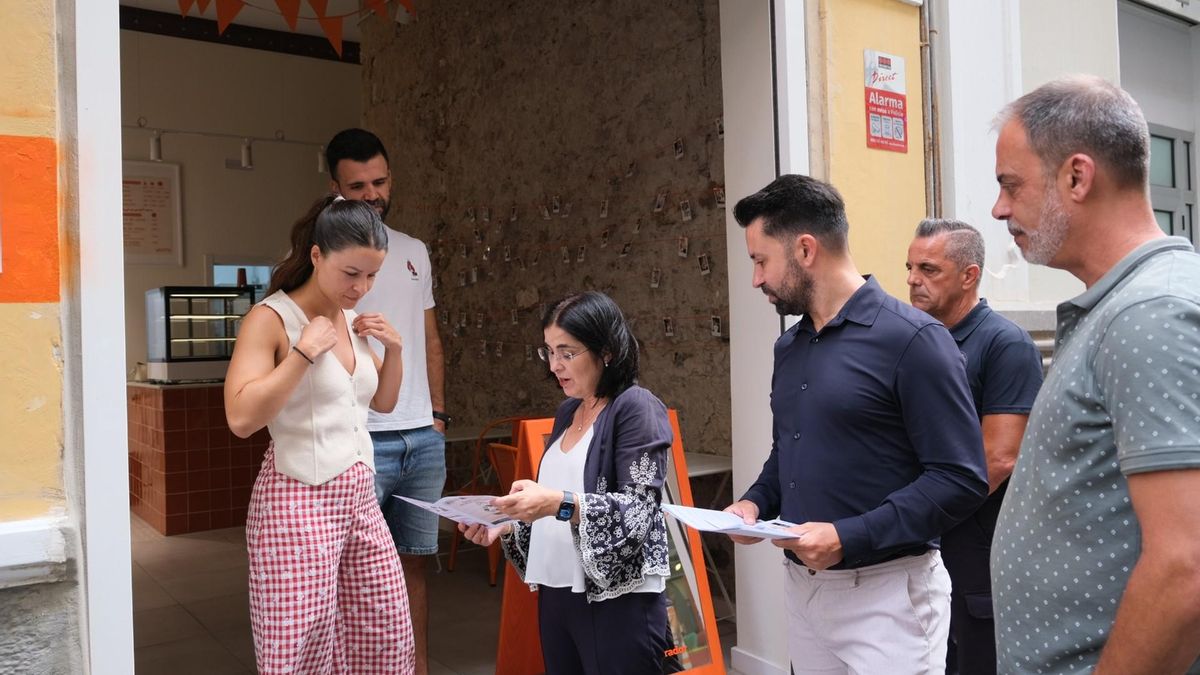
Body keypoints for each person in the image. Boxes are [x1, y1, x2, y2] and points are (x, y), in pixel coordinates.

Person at [724, 175, 989, 674]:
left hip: (890, 598)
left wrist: (850, 535)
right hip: (803, 591)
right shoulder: (790, 347)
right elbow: (790, 450)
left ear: (805, 249)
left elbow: (960, 478)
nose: (756, 279)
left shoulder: (916, 340)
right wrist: (754, 502)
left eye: (761, 261)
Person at [990, 75, 1200, 674]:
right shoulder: (1127, 307)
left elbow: (1186, 567)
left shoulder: (1148, 315)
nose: (1000, 208)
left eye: (1011, 184)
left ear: (1077, 177)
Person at [224, 196, 414, 674]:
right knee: (301, 645)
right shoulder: (271, 319)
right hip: (297, 501)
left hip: (359, 498)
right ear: (315, 256)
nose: (362, 288)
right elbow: (241, 419)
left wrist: (394, 350)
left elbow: (382, 403)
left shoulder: (353, 323)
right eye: (351, 273)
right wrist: (302, 354)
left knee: (385, 628)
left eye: (371, 276)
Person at [459, 291, 674, 675]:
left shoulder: (637, 407)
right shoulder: (567, 412)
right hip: (558, 593)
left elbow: (638, 511)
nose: (555, 365)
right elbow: (557, 513)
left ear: (605, 351)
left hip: (619, 603)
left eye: (567, 352)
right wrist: (506, 526)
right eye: (548, 351)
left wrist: (555, 501)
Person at [325, 128, 446, 675]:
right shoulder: (317, 256)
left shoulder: (415, 251)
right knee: (353, 571)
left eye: (379, 181)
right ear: (334, 187)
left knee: (414, 565)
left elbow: (431, 339)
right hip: (357, 441)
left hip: (422, 435)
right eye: (358, 186)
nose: (372, 194)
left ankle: (415, 667)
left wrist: (438, 418)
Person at [905, 218, 1043, 675]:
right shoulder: (912, 341)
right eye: (909, 267)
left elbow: (999, 458)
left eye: (928, 269)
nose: (912, 280)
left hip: (976, 553)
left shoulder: (1005, 344)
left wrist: (913, 516)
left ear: (969, 275)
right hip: (916, 548)